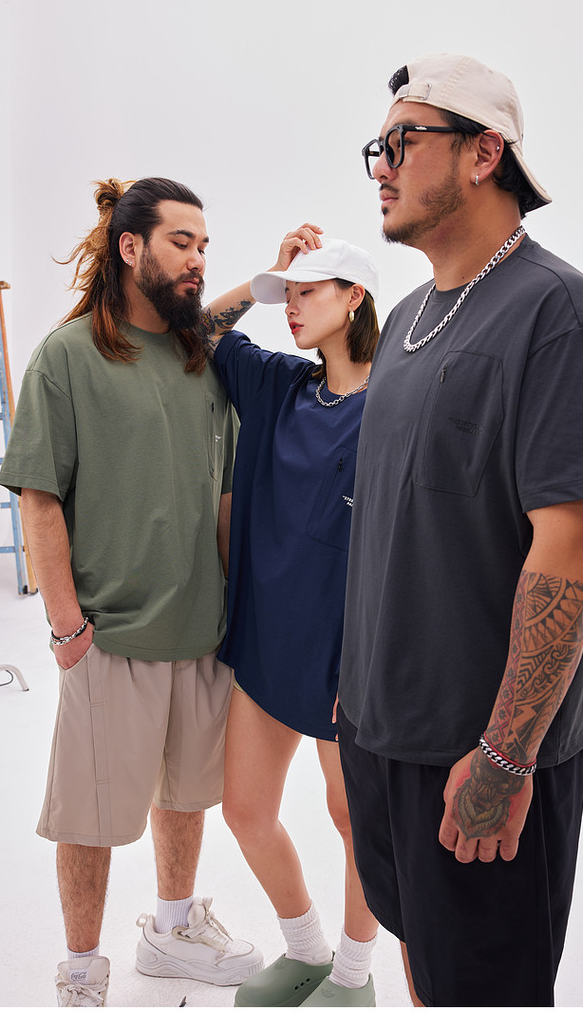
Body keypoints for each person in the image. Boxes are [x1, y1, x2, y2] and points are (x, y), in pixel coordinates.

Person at [336, 54, 583, 1007]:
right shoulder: (408, 319)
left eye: (403, 141)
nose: (381, 164)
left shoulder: (560, 315)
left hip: (481, 749)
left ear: (483, 153)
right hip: (384, 730)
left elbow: (575, 544)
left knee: (487, 994)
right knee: (421, 952)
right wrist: (354, 689)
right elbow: (396, 522)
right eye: (377, 146)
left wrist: (505, 759)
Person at [0, 177, 263, 1007]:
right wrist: (66, 627)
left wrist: (265, 282)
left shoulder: (199, 356)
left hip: (202, 630)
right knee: (89, 817)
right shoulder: (67, 357)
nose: (197, 258)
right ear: (130, 246)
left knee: (186, 796)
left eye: (204, 246)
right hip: (108, 637)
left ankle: (172, 933)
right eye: (182, 242)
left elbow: (227, 487)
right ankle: (81, 973)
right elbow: (40, 497)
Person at [199, 228, 381, 1007]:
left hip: (348, 657)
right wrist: (266, 273)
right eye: (288, 295)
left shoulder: (398, 403)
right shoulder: (281, 386)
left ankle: (354, 977)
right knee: (244, 810)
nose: (292, 307)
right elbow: (197, 333)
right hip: (268, 642)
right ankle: (306, 951)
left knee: (356, 822)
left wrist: (370, 664)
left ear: (355, 297)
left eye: (309, 292)